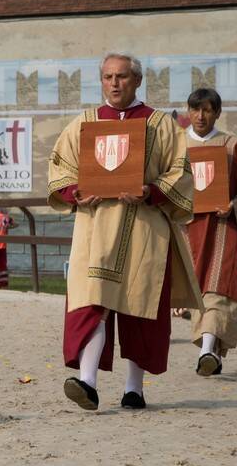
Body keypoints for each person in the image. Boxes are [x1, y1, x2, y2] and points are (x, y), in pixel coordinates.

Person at [48, 52, 200, 410]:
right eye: (107, 77)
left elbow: (181, 172)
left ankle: (135, 389)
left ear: (137, 80)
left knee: (138, 307)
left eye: (122, 76)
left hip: (145, 228)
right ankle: (87, 382)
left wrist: (151, 191)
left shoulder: (161, 124)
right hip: (95, 227)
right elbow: (61, 168)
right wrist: (76, 193)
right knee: (91, 302)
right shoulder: (83, 124)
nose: (114, 83)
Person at [183, 88, 237, 376]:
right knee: (198, 290)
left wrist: (234, 205)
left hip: (224, 228)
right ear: (189, 111)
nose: (201, 116)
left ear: (217, 113)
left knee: (219, 288)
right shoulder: (176, 145)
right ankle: (213, 352)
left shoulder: (232, 146)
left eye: (208, 110)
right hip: (188, 229)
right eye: (195, 109)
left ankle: (207, 350)